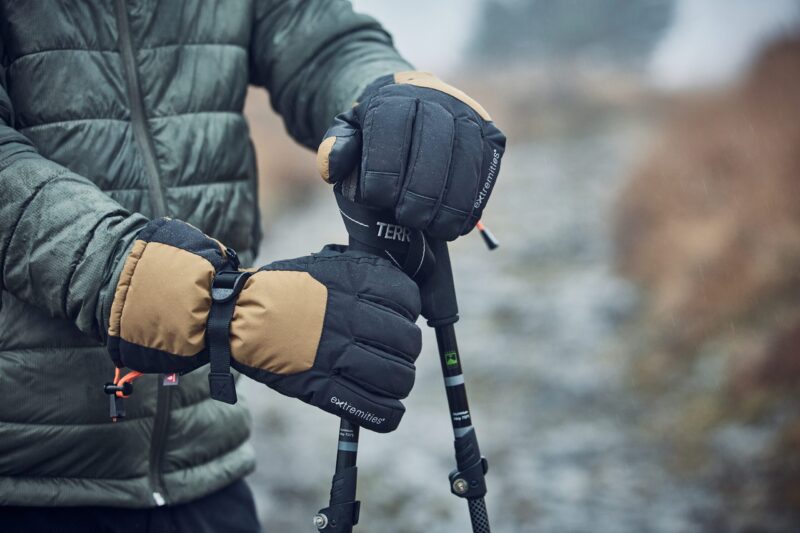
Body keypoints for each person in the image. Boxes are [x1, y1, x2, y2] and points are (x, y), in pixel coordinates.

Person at [0, 1, 505, 531]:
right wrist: (215, 309)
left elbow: (321, 41)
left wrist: (388, 102)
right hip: (21, 485)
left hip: (205, 468)